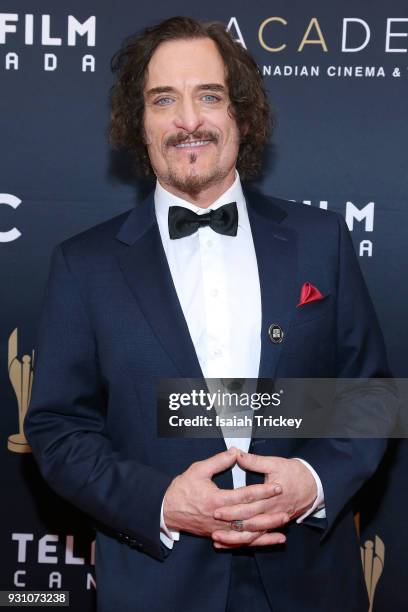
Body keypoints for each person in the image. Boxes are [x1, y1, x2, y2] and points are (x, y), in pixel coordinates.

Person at [25, 16, 392, 612]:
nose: (188, 120)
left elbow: (369, 396)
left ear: (241, 117)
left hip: (309, 580)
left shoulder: (320, 241)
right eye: (163, 99)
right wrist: (162, 502)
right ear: (138, 124)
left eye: (209, 96)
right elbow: (58, 430)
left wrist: (314, 482)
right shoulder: (83, 265)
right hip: (158, 582)